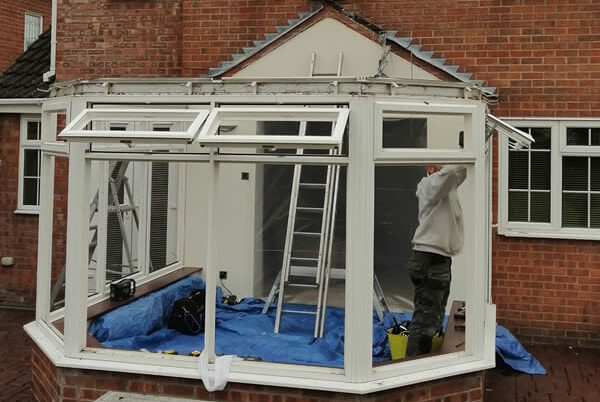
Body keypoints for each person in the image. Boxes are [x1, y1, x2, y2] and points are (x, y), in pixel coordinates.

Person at [405, 164, 467, 356]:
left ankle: (422, 360)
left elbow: (460, 171)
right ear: (431, 168)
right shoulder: (429, 186)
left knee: (432, 318)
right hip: (429, 260)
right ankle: (414, 366)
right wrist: (451, 161)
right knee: (425, 322)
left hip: (437, 260)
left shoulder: (447, 190)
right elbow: (451, 172)